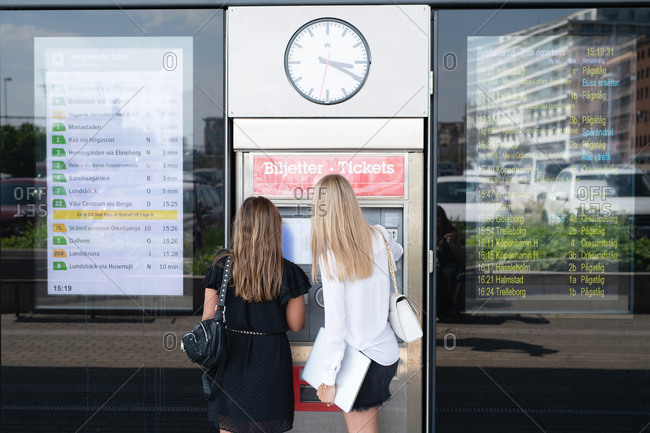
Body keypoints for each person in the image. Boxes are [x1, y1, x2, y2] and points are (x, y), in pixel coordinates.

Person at [202, 196, 310, 433]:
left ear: (241, 226)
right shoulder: (288, 272)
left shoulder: (223, 264)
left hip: (230, 357)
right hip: (270, 359)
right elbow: (296, 324)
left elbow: (208, 319)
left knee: (229, 428)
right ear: (274, 228)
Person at [310, 174, 402, 433]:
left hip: (359, 360)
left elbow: (337, 325)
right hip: (384, 353)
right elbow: (398, 253)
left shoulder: (331, 258)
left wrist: (328, 380)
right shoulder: (381, 236)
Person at [436, 205, 461, 321]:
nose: (438, 221)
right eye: (436, 218)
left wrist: (450, 243)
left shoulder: (451, 229)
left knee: (448, 275)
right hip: (435, 263)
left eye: (440, 218)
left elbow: (458, 253)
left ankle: (448, 310)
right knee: (435, 276)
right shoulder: (428, 228)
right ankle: (437, 310)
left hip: (448, 263)